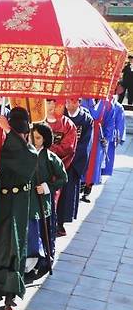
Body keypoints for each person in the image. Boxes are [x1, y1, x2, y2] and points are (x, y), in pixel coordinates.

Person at [0, 108, 38, 310]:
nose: (17, 137)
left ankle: (11, 294)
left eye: (19, 134)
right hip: (1, 202)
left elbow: (24, 161)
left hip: (18, 204)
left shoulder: (30, 153)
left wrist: (8, 130)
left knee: (14, 245)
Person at [27, 122, 67, 280]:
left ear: (45, 140)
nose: (34, 140)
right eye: (32, 137)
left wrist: (46, 187)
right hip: (26, 199)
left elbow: (63, 178)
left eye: (37, 138)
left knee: (40, 233)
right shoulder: (26, 153)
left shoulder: (51, 158)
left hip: (41, 200)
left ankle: (42, 261)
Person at [56, 99, 93, 236]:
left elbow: (84, 144)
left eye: (72, 102)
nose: (69, 105)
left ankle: (60, 223)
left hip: (72, 162)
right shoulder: (60, 116)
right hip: (57, 158)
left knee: (67, 194)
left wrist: (70, 159)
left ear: (79, 102)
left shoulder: (86, 119)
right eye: (67, 102)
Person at [81, 98, 114, 202]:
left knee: (94, 164)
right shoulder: (83, 100)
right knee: (82, 160)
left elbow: (110, 122)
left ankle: (87, 190)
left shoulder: (107, 104)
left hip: (98, 136)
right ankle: (80, 185)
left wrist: (107, 137)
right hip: (84, 134)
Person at [103, 92, 126, 177]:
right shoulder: (102, 104)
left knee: (109, 152)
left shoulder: (118, 107)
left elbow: (120, 122)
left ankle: (106, 171)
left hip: (112, 134)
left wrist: (119, 136)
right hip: (102, 131)